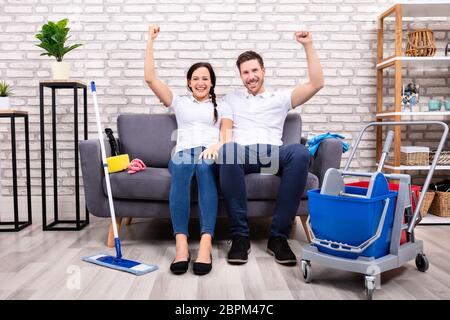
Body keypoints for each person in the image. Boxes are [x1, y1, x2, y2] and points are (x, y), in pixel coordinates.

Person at [219, 31, 324, 266]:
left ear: (263, 71)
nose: (251, 76)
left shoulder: (280, 98)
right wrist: (224, 148)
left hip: (272, 155)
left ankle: (278, 238)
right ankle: (239, 237)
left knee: (299, 152)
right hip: (242, 153)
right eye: (245, 72)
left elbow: (317, 83)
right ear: (240, 76)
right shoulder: (231, 99)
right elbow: (225, 132)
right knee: (227, 151)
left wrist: (308, 45)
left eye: (254, 70)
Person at [145, 26, 233, 275]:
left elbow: (227, 132)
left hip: (209, 152)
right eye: (196, 78)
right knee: (183, 164)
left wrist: (216, 146)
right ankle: (181, 245)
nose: (200, 82)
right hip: (183, 152)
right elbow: (150, 79)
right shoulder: (179, 102)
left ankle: (205, 244)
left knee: (205, 168)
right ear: (188, 82)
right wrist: (150, 42)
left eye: (205, 78)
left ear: (212, 82)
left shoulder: (223, 105)